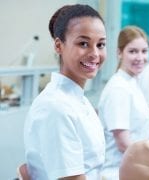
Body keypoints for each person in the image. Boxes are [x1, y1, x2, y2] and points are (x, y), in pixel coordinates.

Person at [24, 4, 107, 179]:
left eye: (100, 44)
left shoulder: (78, 100)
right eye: (83, 43)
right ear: (59, 46)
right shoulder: (56, 107)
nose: (95, 53)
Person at [97, 26, 149, 179]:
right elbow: (123, 143)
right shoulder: (118, 89)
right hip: (116, 172)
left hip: (133, 169)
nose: (140, 57)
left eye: (144, 51)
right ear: (119, 52)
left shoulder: (132, 83)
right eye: (133, 51)